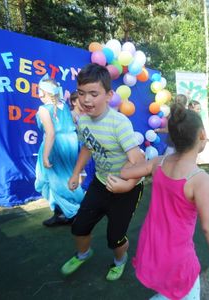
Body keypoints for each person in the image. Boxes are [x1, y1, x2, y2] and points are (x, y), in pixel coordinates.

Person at [120, 103, 209, 300]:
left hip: (151, 247)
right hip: (176, 259)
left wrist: (134, 156)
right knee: (181, 293)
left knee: (166, 291)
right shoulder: (199, 180)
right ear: (201, 135)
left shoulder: (158, 163)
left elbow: (125, 172)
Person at [61, 63, 144, 281]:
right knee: (79, 227)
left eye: (93, 94)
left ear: (109, 95)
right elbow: (88, 147)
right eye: (81, 93)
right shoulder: (82, 120)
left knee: (115, 238)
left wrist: (126, 185)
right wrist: (75, 173)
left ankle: (120, 260)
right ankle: (83, 253)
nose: (86, 100)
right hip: (101, 182)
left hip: (128, 187)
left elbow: (140, 162)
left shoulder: (119, 124)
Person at [35, 76, 84, 227]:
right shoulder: (63, 105)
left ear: (43, 92)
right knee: (66, 176)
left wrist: (45, 156)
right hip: (70, 143)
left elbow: (51, 133)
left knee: (55, 180)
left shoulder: (44, 109)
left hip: (55, 145)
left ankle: (72, 212)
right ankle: (63, 213)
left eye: (39, 91)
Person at [69, 91, 95, 191]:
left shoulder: (86, 116)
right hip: (77, 147)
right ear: (74, 102)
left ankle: (87, 188)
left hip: (87, 147)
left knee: (89, 169)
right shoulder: (70, 115)